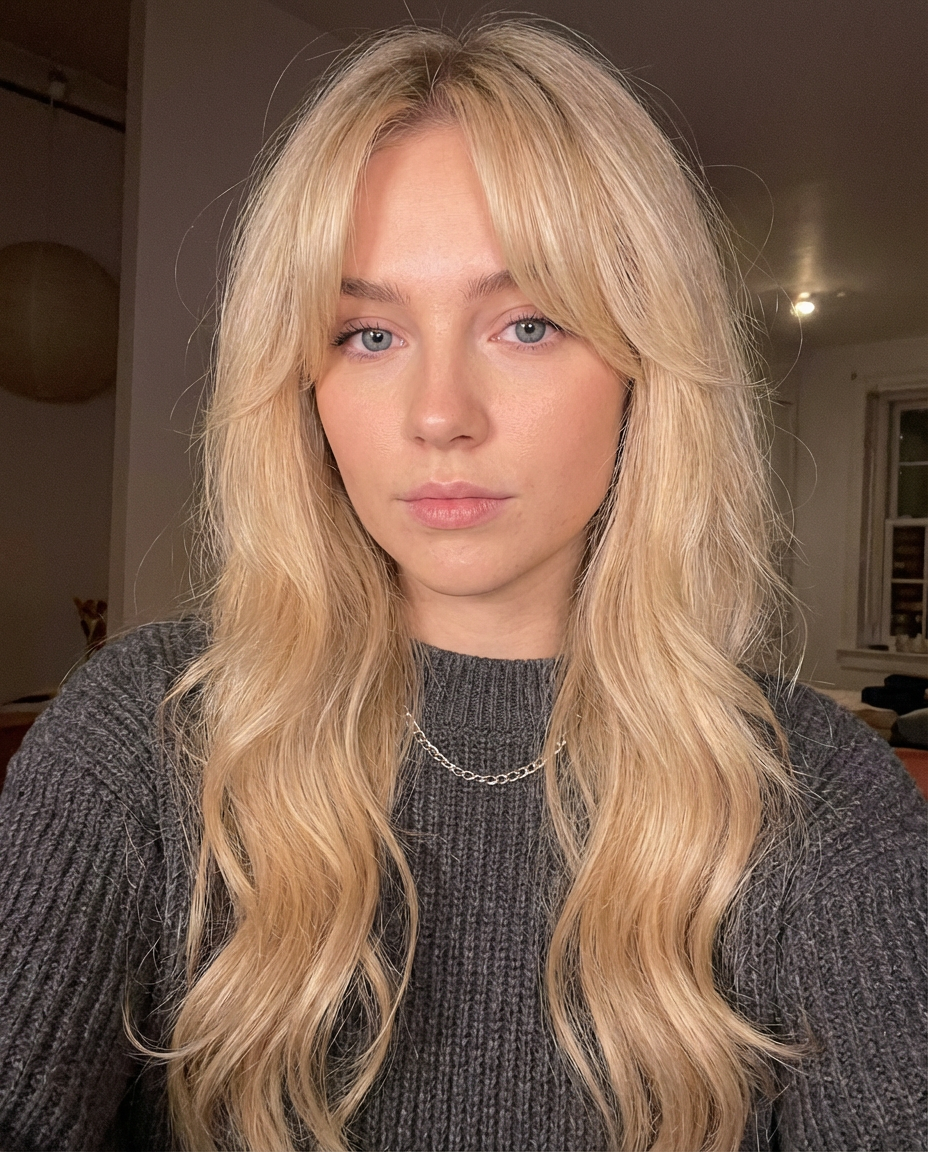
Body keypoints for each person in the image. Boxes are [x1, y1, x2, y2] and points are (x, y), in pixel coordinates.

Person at [0, 21, 924, 1152]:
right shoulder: (140, 741)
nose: (439, 414)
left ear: (646, 367)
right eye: (369, 332)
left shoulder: (819, 798)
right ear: (300, 381)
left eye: (526, 324)